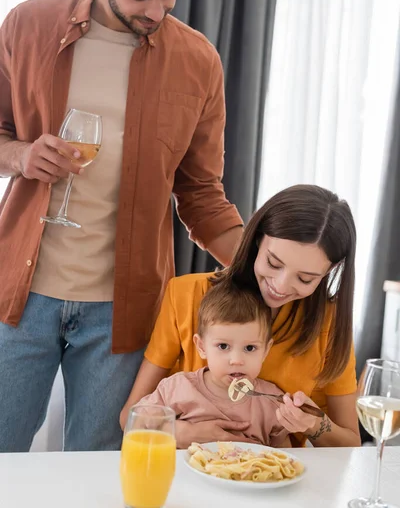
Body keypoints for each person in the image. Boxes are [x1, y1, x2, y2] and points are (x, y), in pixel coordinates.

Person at [0, 0, 243, 452]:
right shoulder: (27, 25)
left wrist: (260, 269)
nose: (157, 12)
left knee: (99, 472)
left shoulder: (198, 61)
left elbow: (201, 194)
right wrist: (20, 156)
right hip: (18, 295)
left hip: (124, 310)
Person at [121, 184, 362, 449]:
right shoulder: (187, 294)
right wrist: (185, 432)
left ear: (331, 269)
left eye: (305, 278)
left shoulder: (328, 322)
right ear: (257, 238)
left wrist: (313, 425)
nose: (280, 286)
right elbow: (130, 418)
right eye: (273, 263)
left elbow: (350, 444)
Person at [133, 280, 291, 448]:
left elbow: (286, 458)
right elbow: (136, 425)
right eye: (223, 346)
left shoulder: (272, 402)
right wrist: (172, 430)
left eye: (250, 348)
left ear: (266, 351)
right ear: (201, 347)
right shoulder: (177, 388)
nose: (236, 360)